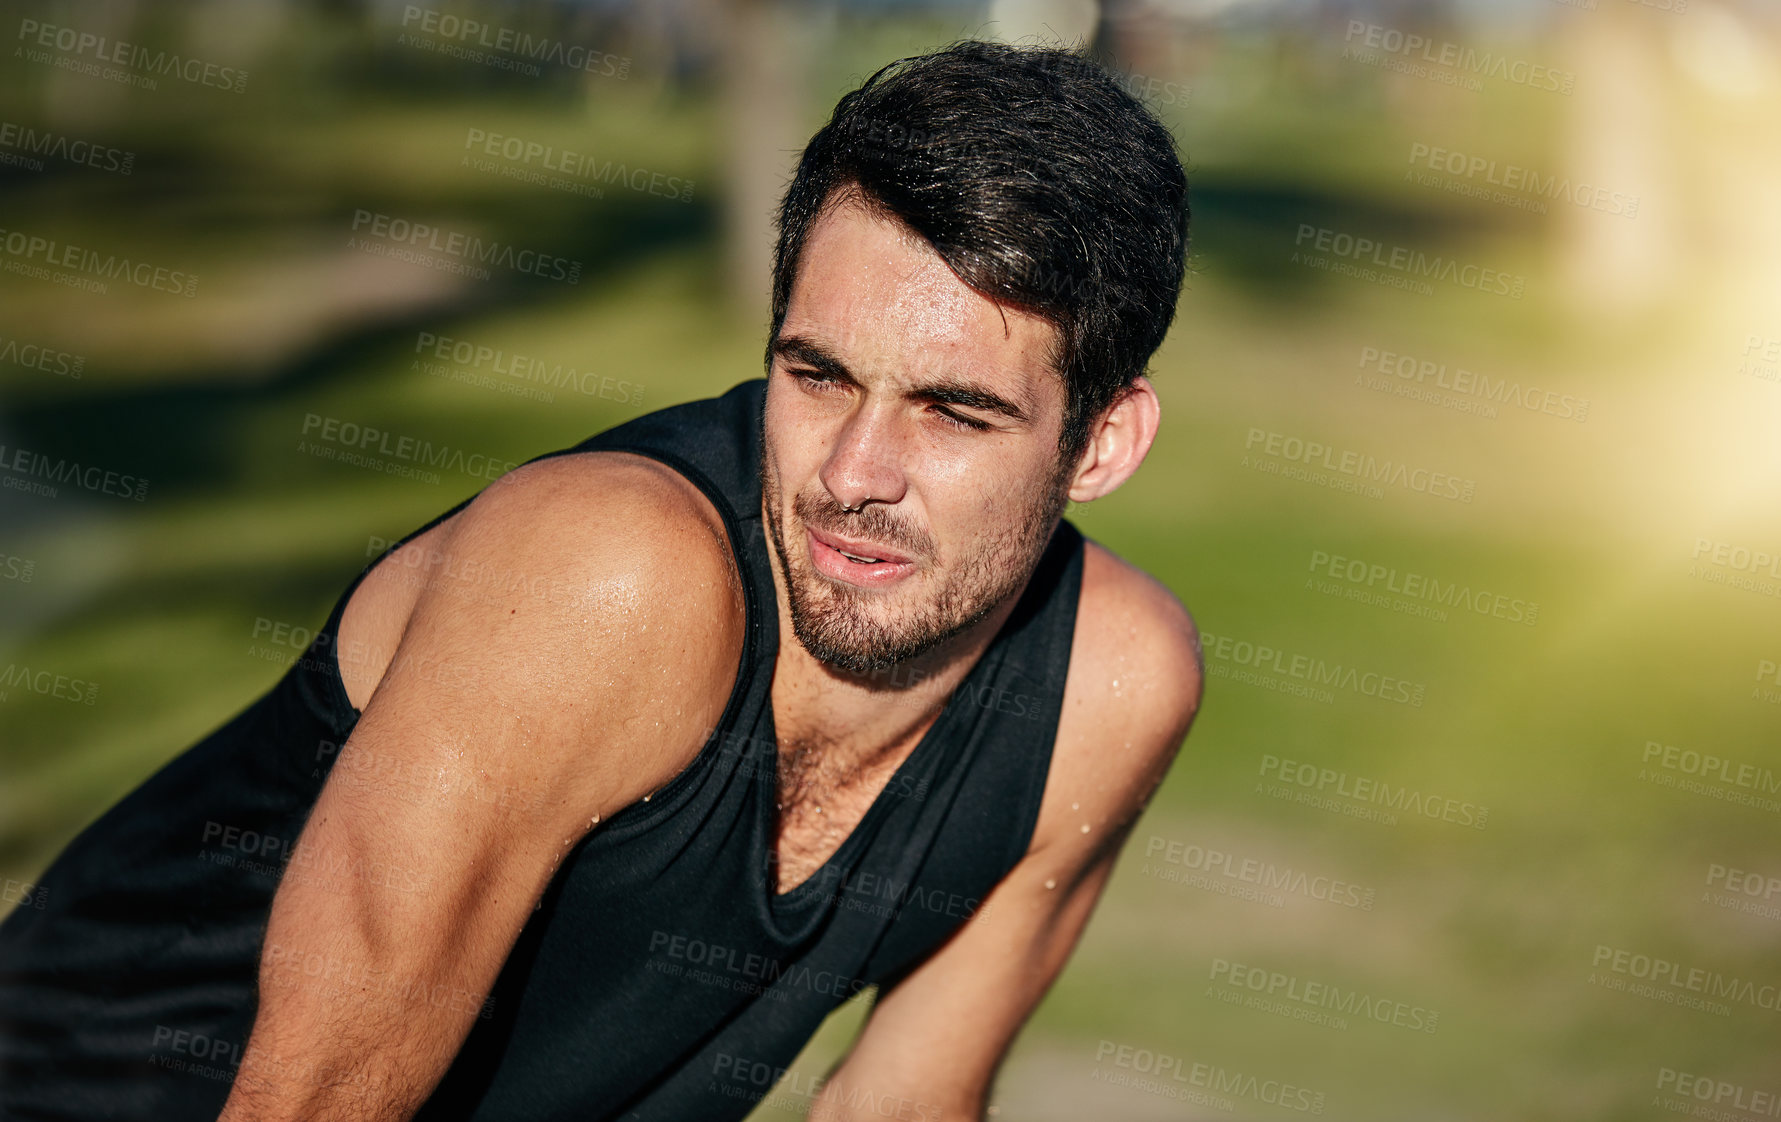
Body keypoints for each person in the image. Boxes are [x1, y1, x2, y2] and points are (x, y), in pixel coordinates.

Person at [0, 38, 1201, 1122]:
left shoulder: (1109, 685)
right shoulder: (607, 580)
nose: (852, 472)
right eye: (818, 375)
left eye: (952, 412)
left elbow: (905, 1102)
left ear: (1100, 443)